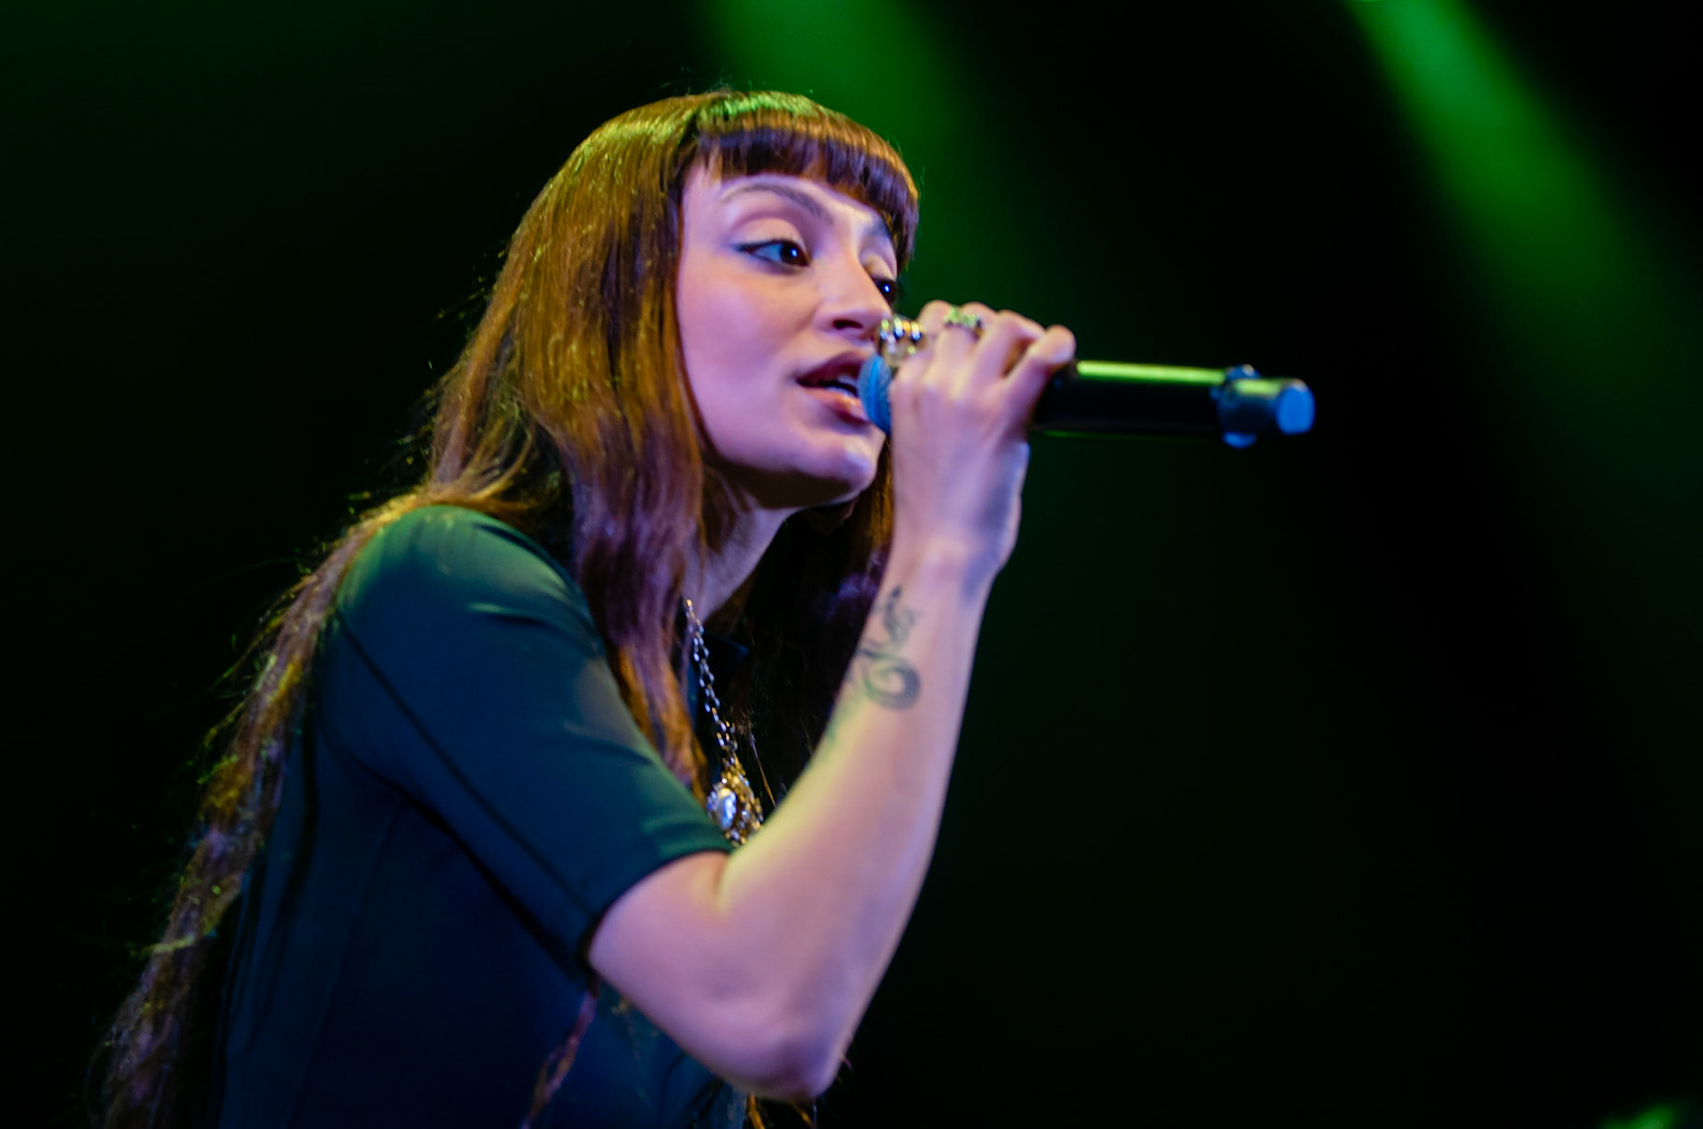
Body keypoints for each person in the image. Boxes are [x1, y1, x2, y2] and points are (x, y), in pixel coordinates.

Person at [99, 90, 1076, 1128]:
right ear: (615, 300)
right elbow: (773, 1011)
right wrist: (946, 548)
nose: (869, 310)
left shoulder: (702, 693)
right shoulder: (446, 581)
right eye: (783, 249)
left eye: (885, 274)